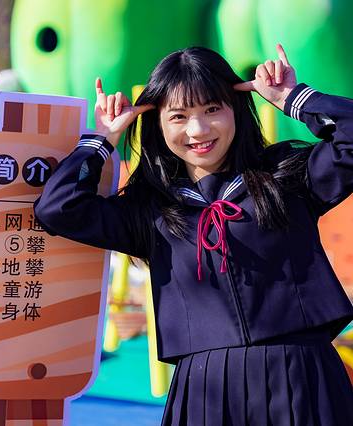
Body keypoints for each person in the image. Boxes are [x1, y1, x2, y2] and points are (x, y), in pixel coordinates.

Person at [34, 44, 353, 425]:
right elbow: (58, 208)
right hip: (205, 390)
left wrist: (294, 98)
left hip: (303, 376)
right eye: (179, 116)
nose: (198, 130)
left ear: (236, 109)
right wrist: (103, 137)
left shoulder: (286, 177)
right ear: (158, 124)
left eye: (212, 109)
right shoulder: (150, 208)